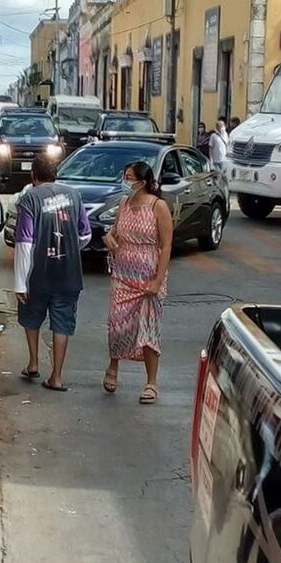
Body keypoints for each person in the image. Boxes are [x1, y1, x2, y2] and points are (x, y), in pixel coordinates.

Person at [14, 155, 92, 392]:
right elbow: (85, 234)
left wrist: (20, 283)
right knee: (62, 324)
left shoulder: (29, 198)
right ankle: (57, 376)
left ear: (33, 175)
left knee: (31, 317)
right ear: (55, 173)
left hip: (38, 275)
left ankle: (33, 363)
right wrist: (69, 248)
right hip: (68, 274)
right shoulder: (74, 195)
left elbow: (24, 243)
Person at [102, 162, 173, 405]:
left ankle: (151, 382)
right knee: (117, 323)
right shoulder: (124, 203)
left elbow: (166, 247)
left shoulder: (158, 206)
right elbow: (114, 231)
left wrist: (157, 280)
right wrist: (109, 238)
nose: (125, 179)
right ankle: (113, 365)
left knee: (147, 329)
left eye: (129, 177)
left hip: (147, 277)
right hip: (122, 275)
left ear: (142, 182)